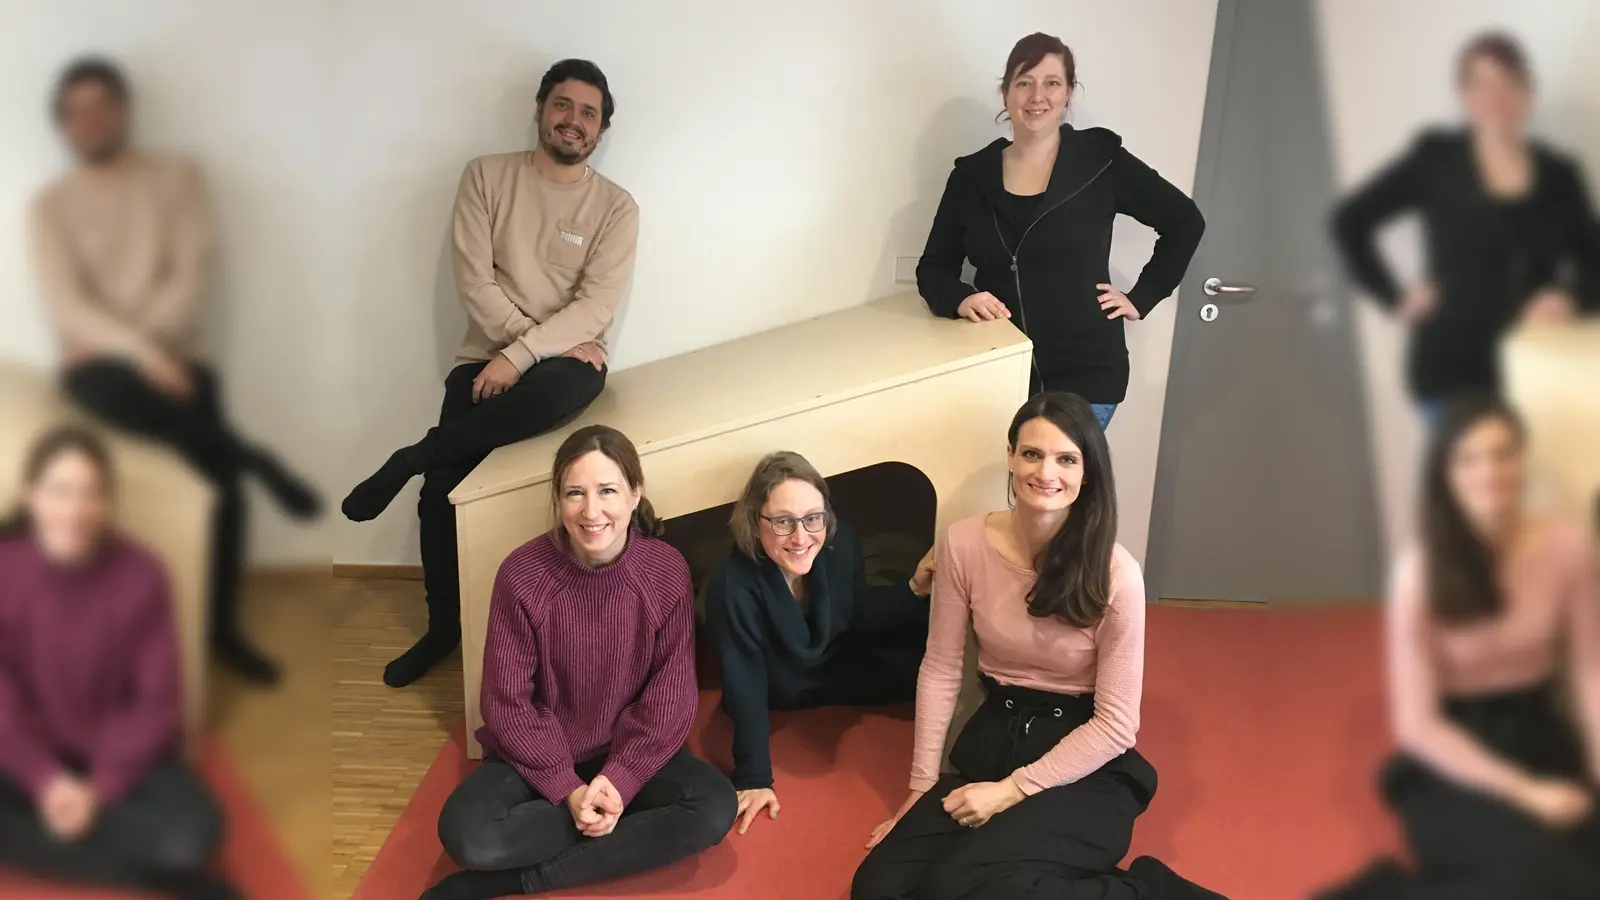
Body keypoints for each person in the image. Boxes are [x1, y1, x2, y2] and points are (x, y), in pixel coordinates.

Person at [341, 58, 641, 688]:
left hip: (563, 369)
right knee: (440, 496)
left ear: (601, 129)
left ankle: (410, 456)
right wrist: (516, 351)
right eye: (563, 104)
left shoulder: (616, 208)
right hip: (484, 362)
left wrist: (524, 355)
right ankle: (442, 629)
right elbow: (475, 282)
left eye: (588, 113)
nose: (574, 120)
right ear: (540, 109)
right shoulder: (486, 176)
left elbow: (595, 307)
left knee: (556, 388)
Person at [852, 392, 1224, 900]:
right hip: (994, 741)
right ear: (1010, 456)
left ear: (1087, 472)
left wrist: (1011, 792)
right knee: (878, 888)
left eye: (1066, 459)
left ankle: (1150, 891)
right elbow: (940, 668)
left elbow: (1117, 724)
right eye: (1032, 454)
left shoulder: (1117, 573)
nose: (1046, 472)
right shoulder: (963, 543)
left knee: (964, 886)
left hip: (1085, 761)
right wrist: (918, 791)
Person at [29, 57, 321, 685]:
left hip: (180, 365)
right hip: (103, 374)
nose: (91, 120)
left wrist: (151, 353)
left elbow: (190, 281)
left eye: (101, 104)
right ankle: (254, 457)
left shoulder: (178, 179)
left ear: (124, 110)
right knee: (135, 409)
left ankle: (221, 632)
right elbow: (69, 306)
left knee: (222, 491)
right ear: (64, 125)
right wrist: (142, 354)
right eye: (77, 111)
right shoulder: (50, 207)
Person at [426, 424, 735, 900]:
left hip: (629, 751)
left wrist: (622, 779)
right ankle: (616, 825)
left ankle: (518, 880)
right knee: (469, 835)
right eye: (575, 493)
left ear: (635, 494)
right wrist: (568, 789)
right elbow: (506, 701)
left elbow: (672, 693)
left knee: (713, 807)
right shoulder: (521, 574)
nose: (592, 511)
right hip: (541, 753)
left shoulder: (666, 570)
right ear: (558, 498)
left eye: (607, 490)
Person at [1314, 396, 1598, 900]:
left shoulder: (1568, 548)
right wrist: (1525, 793)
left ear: (1522, 458)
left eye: (1503, 453)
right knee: (1535, 881)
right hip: (1450, 748)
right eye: (1470, 459)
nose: (1490, 471)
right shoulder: (1418, 576)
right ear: (1446, 475)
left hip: (1540, 733)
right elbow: (1417, 724)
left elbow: (1589, 672)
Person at [917, 33, 1205, 430]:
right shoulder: (971, 176)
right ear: (1005, 93)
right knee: (998, 474)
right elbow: (933, 267)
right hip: (997, 372)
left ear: (1068, 93)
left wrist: (1143, 296)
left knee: (1060, 472)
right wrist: (960, 298)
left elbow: (1185, 220)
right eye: (1024, 82)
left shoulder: (1100, 161)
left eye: (1051, 83)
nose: (1037, 95)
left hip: (1086, 379)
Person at [0, 426, 235, 900]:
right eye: (59, 491)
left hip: (117, 758)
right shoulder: (5, 568)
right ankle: (149, 875)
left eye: (90, 493)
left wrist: (98, 788)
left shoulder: (142, 574)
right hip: (23, 753)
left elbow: (158, 704)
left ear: (108, 503)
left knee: (195, 832)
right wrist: (46, 780)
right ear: (32, 495)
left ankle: (84, 850)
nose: (74, 511)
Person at [1331, 32, 1600, 431]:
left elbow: (1595, 265)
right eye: (1480, 83)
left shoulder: (1562, 177)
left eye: (1509, 81)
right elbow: (1349, 221)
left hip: (1539, 372)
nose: (1496, 96)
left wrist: (1570, 298)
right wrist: (1395, 298)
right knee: (1466, 474)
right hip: (1451, 377)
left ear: (1528, 92)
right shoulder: (1436, 160)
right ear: (1464, 94)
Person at [705, 450, 935, 834]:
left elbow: (856, 612)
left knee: (924, 661)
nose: (801, 537)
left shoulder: (840, 544)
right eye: (783, 521)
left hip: (833, 659)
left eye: (812, 518)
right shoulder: (732, 586)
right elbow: (745, 679)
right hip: (780, 684)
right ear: (755, 523)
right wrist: (753, 776)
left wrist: (913, 589)